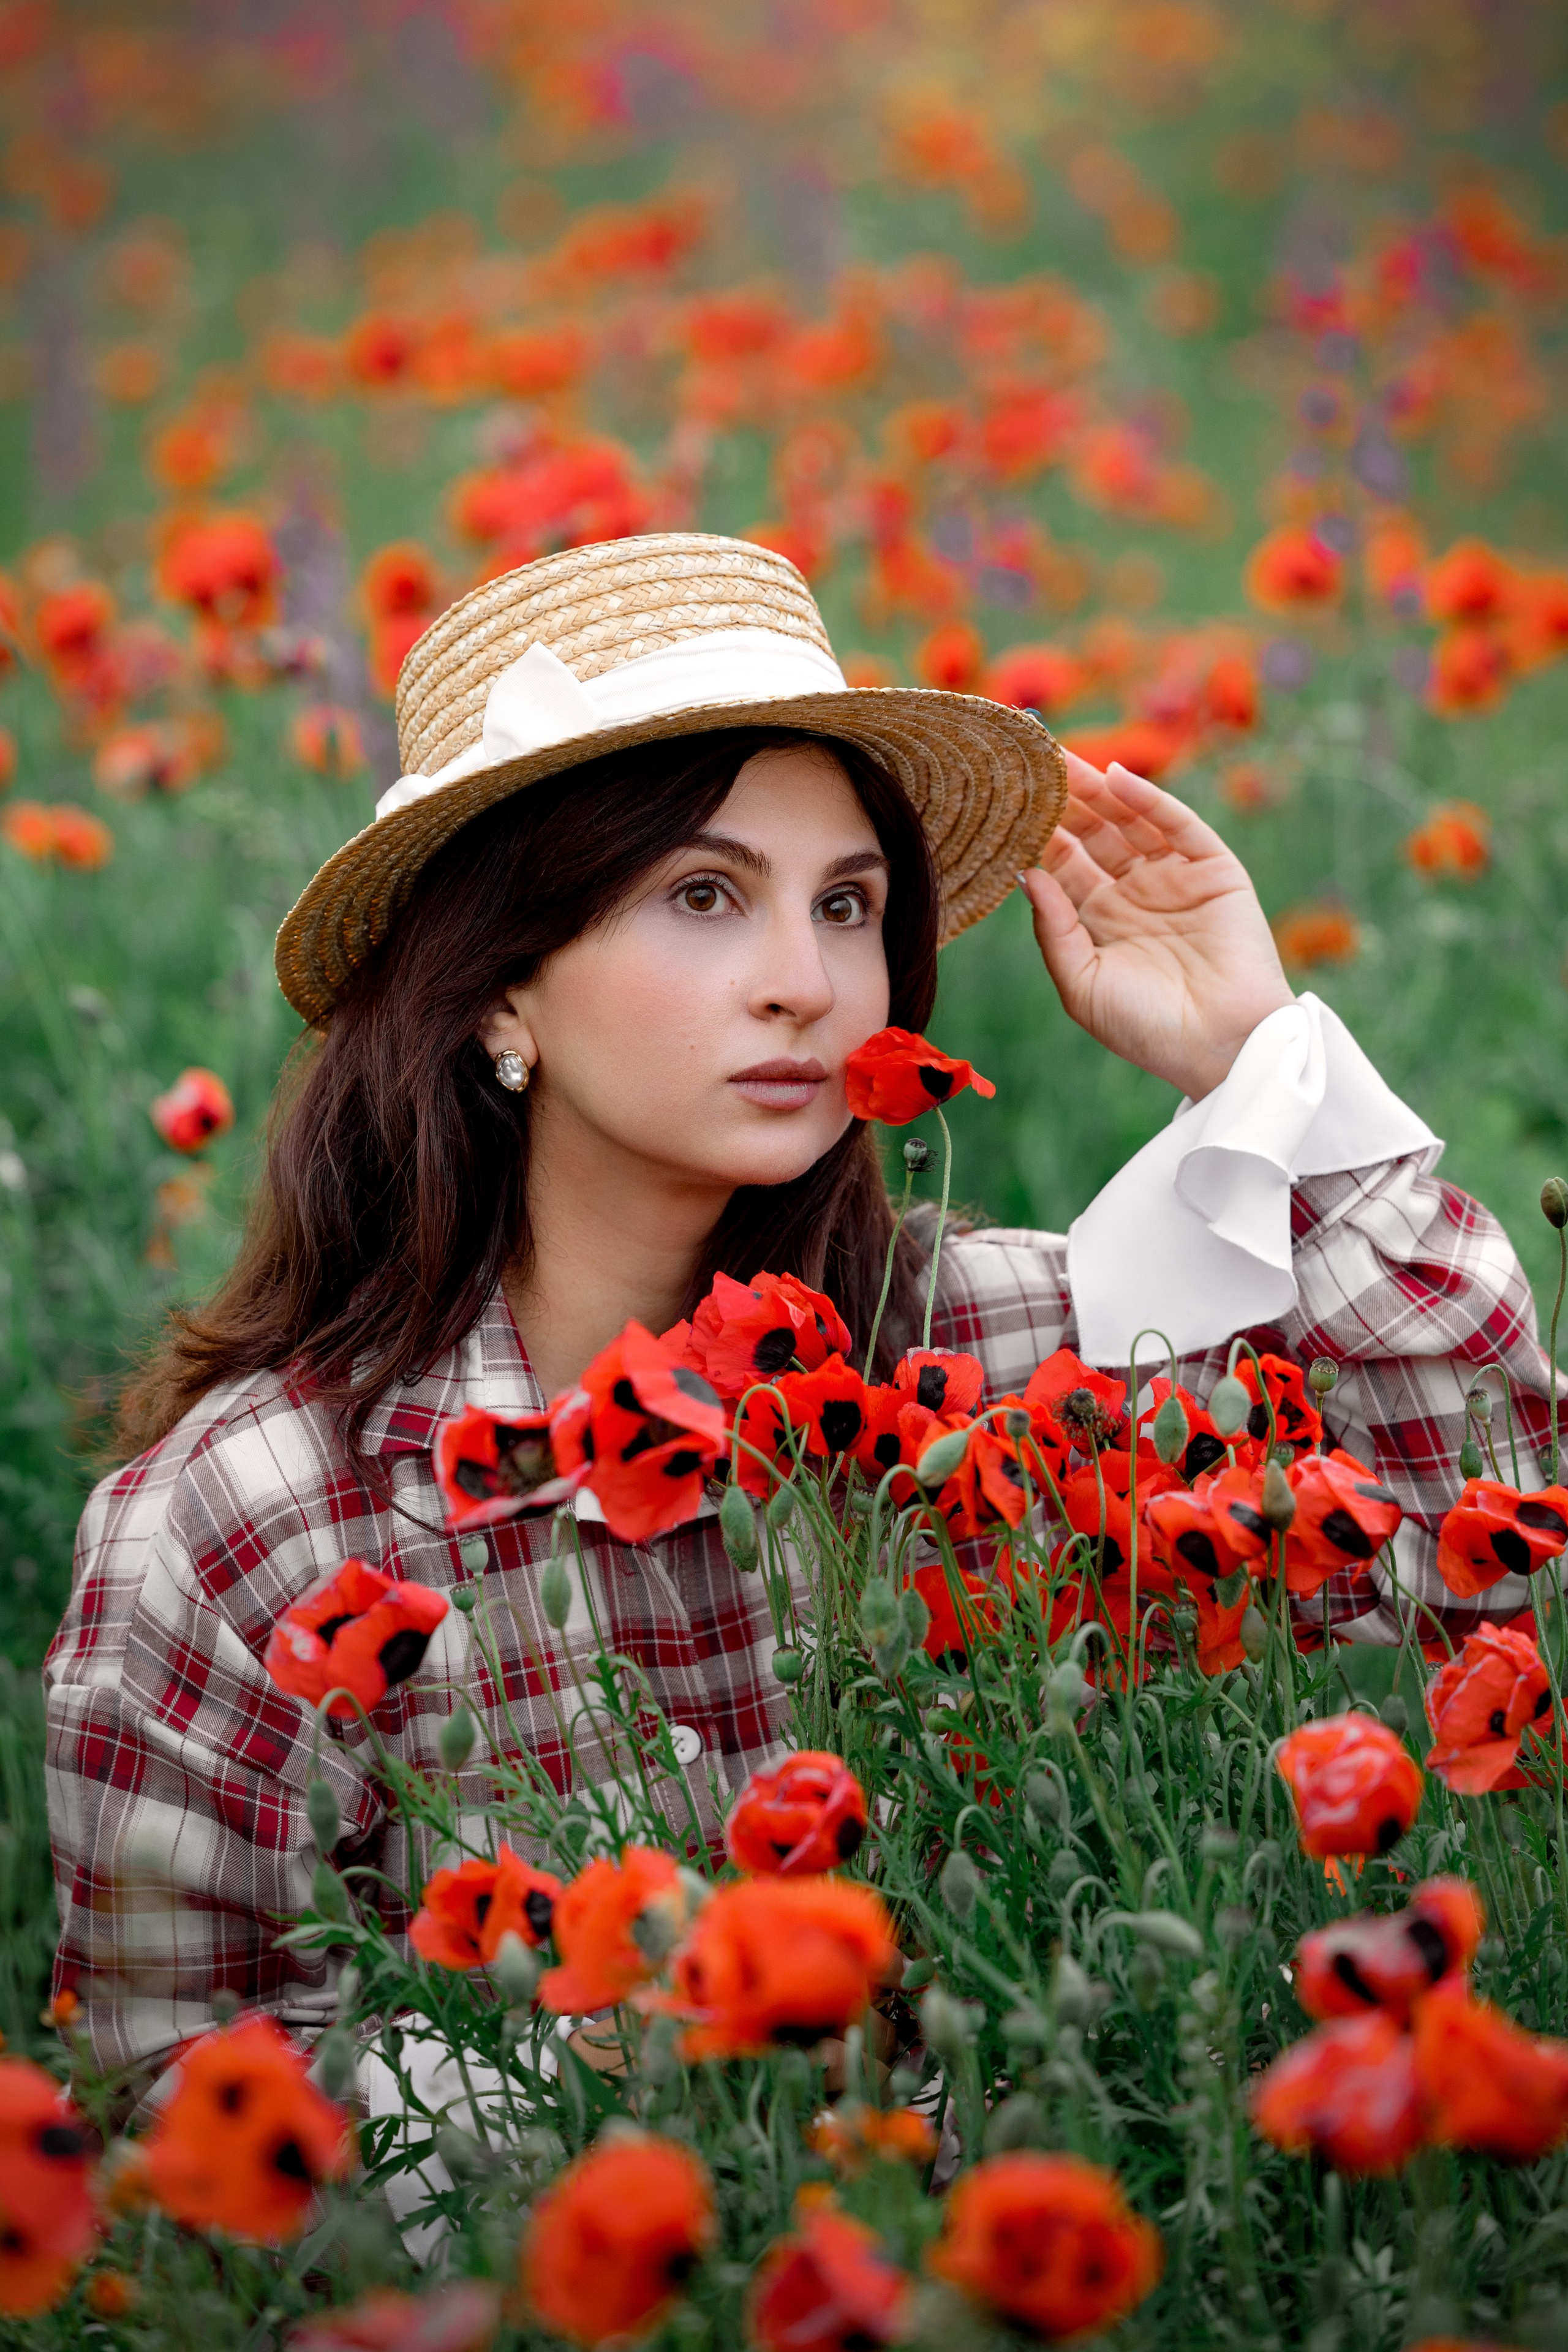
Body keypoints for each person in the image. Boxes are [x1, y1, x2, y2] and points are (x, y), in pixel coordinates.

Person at [43, 531, 1555, 2080]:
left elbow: (1484, 1532)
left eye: (846, 906)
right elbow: (168, 2091)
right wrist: (583, 2089)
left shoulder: (991, 1353)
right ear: (498, 982)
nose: (806, 983)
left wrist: (1254, 1065)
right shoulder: (257, 1516)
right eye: (704, 894)